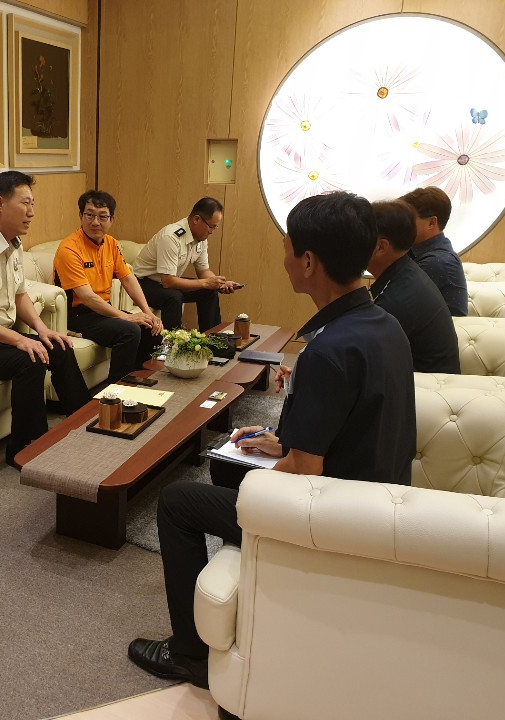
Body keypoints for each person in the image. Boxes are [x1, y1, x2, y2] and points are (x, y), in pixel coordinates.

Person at [128, 192, 416, 693]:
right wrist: (283, 442)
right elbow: (351, 423)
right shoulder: (383, 325)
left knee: (177, 501)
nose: (283, 258)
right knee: (228, 464)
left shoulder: (328, 350)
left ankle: (190, 655)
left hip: (337, 516)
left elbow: (305, 473)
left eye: (287, 247)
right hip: (376, 496)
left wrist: (272, 475)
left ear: (308, 262)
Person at [0, 171, 91, 466]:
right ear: (0, 203)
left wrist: (42, 330)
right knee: (31, 359)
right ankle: (25, 447)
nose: (31, 212)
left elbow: (20, 295)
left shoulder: (13, 243)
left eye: (33, 204)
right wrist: (20, 340)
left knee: (59, 347)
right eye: (25, 204)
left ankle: (85, 422)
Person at [53, 190, 164, 384]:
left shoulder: (111, 243)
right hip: (77, 315)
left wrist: (148, 313)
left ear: (111, 219)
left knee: (150, 327)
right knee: (129, 330)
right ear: (80, 216)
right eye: (89, 215)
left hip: (102, 310)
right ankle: (116, 389)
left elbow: (128, 279)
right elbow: (87, 297)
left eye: (102, 216)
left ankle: (136, 378)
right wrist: (126, 317)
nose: (95, 222)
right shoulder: (69, 249)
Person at [368, 200, 461, 374]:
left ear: (380, 247)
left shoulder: (396, 300)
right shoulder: (406, 270)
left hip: (426, 385)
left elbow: (368, 361)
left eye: (359, 236)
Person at [133, 197, 240, 331]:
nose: (212, 231)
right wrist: (206, 283)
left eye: (215, 227)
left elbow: (203, 271)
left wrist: (219, 283)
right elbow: (168, 282)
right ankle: (173, 341)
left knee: (210, 291)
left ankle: (212, 338)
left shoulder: (201, 238)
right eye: (211, 226)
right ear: (196, 219)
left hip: (164, 282)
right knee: (174, 297)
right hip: (142, 283)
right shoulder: (171, 237)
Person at [399, 186, 468, 316]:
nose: (402, 224)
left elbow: (392, 304)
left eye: (408, 219)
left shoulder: (437, 262)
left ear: (431, 223)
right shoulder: (418, 251)